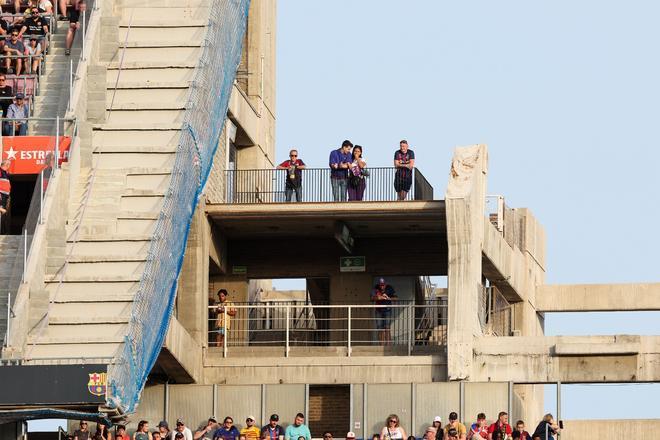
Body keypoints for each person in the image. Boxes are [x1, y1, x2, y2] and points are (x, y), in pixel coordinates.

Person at [371, 278, 397, 346]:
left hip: (387, 310)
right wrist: (378, 298)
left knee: (387, 328)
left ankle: (388, 346)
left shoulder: (389, 288)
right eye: (381, 285)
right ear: (379, 284)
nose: (382, 287)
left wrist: (388, 298)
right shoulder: (376, 288)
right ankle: (381, 346)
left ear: (385, 284)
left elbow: (396, 298)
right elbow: (371, 298)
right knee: (380, 328)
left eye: (383, 285)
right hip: (378, 310)